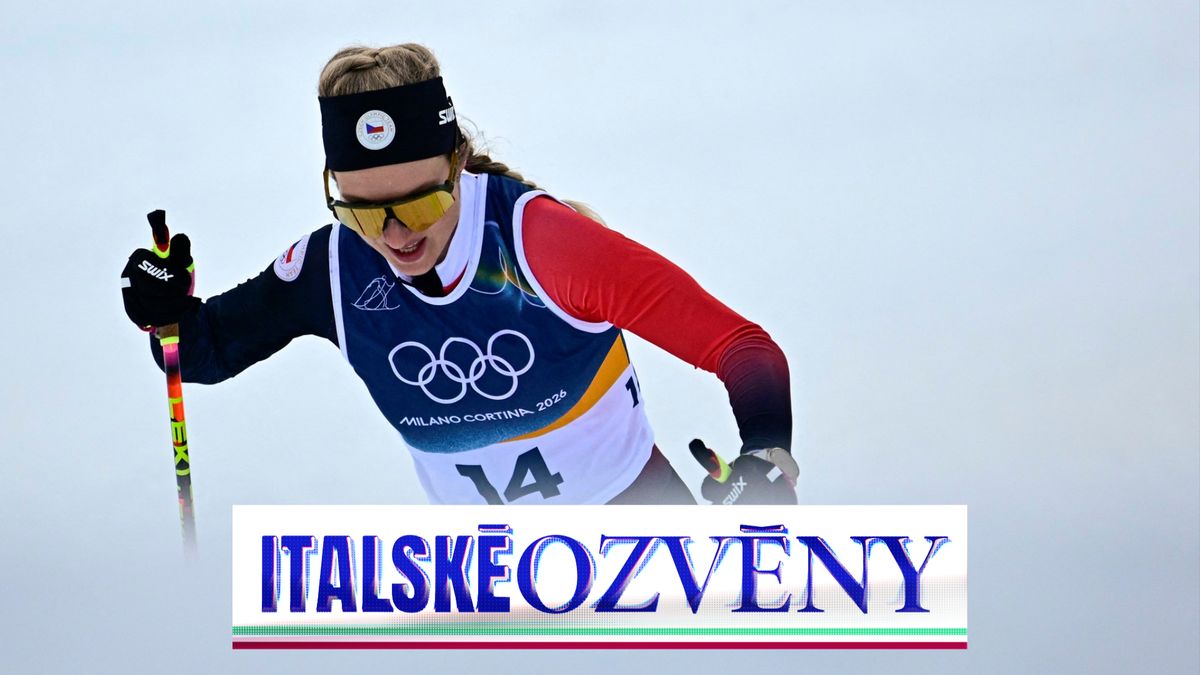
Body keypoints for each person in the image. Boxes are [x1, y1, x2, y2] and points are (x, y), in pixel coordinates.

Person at [120, 43, 798, 506]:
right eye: (362, 212)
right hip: (481, 572)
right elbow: (198, 351)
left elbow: (741, 347)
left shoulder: (545, 246)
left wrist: (766, 454)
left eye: (419, 203)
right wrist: (161, 306)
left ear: (457, 166)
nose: (395, 234)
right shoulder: (333, 268)